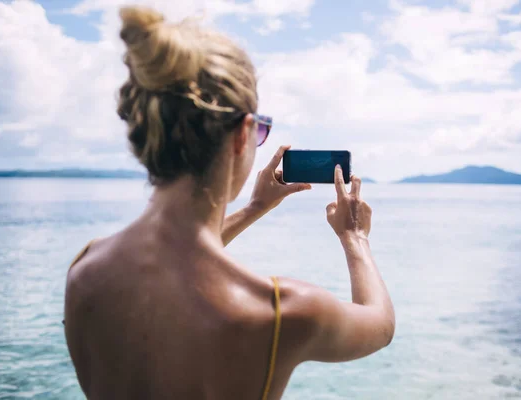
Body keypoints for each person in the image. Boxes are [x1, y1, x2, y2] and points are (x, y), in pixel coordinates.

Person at [63, 5, 395, 400]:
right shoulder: (276, 313)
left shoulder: (85, 271)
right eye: (261, 132)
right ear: (244, 135)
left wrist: (254, 209)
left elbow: (176, 257)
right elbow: (380, 324)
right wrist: (354, 238)